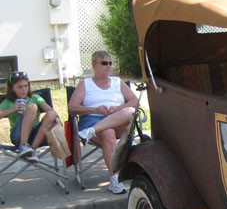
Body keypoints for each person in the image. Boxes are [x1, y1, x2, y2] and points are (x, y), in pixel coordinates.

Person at [68, 50, 137, 194]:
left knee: (130, 111)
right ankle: (115, 179)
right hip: (93, 118)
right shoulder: (85, 84)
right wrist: (95, 110)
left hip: (116, 118)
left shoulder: (118, 82)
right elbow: (72, 107)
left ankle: (90, 132)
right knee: (107, 132)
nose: (108, 66)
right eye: (104, 63)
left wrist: (117, 108)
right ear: (94, 65)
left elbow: (135, 101)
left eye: (110, 63)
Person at [0, 71, 60, 164]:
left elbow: (51, 111)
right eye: (20, 87)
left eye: (26, 86)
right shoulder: (8, 101)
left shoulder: (35, 98)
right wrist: (12, 109)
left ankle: (32, 151)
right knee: (32, 107)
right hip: (18, 136)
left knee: (51, 114)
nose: (24, 89)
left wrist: (56, 119)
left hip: (36, 136)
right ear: (12, 89)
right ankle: (23, 145)